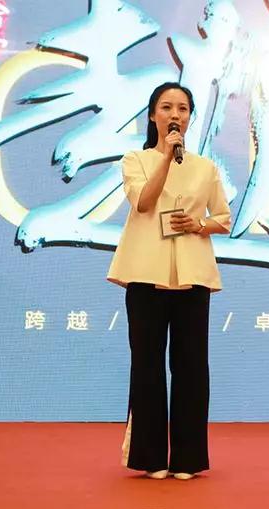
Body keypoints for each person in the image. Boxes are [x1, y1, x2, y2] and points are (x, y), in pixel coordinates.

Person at [107, 82, 231, 480]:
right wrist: (166, 156)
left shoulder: (206, 167)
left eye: (182, 108)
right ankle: (150, 457)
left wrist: (198, 224)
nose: (175, 114)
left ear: (190, 117)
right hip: (146, 274)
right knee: (147, 364)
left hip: (192, 275)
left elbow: (224, 219)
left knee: (191, 366)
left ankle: (188, 459)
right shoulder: (135, 159)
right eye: (166, 107)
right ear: (152, 115)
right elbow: (143, 202)